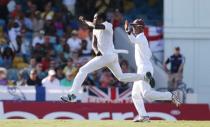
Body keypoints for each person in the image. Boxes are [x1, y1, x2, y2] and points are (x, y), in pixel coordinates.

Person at [61, 13, 154, 102]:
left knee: (82, 70)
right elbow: (94, 44)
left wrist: (85, 20)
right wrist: (97, 52)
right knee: (121, 77)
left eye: (96, 18)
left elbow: (95, 26)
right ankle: (144, 77)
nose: (94, 20)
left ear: (101, 19)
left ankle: (72, 95)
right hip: (109, 57)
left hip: (108, 55)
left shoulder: (107, 25)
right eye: (93, 18)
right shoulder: (95, 29)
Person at [124, 19, 181, 122]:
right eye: (132, 26)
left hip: (144, 68)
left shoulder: (141, 38)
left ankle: (171, 96)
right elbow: (149, 54)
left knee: (146, 94)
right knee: (135, 94)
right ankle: (144, 116)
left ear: (140, 28)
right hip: (143, 68)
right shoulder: (142, 39)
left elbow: (132, 40)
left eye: (134, 26)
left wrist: (127, 30)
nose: (133, 28)